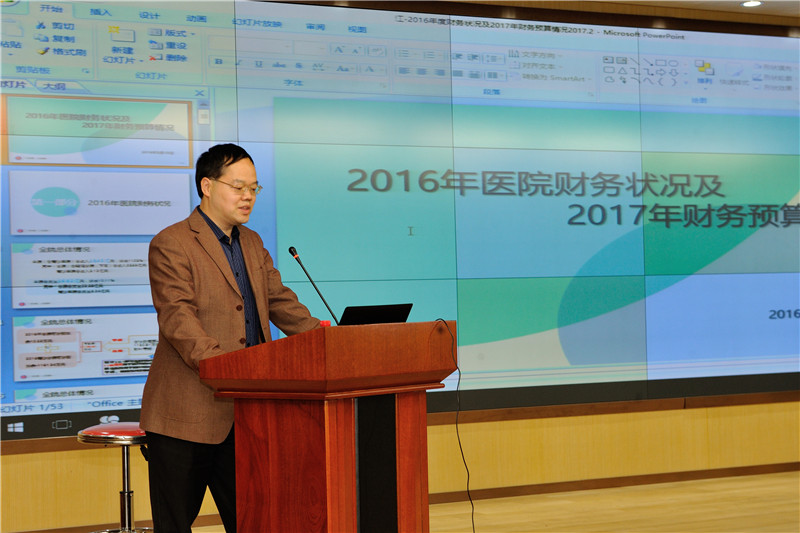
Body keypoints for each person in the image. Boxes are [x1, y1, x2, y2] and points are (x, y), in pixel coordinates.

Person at [140, 143, 320, 532]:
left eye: (254, 188)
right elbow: (178, 318)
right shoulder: (172, 242)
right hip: (186, 415)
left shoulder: (252, 242)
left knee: (254, 521)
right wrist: (231, 368)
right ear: (207, 186)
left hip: (249, 414)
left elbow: (279, 301)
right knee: (175, 526)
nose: (248, 196)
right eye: (238, 187)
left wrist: (325, 339)